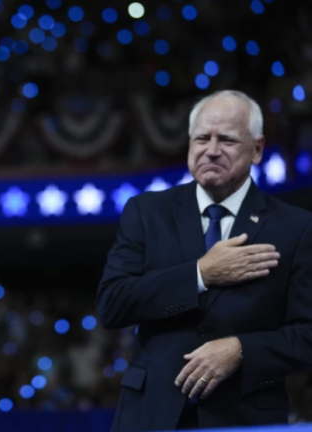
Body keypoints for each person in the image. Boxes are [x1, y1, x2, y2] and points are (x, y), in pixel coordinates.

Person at [97, 90, 312, 431]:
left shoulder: (297, 227)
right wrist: (200, 274)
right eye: (201, 138)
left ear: (257, 149)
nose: (211, 150)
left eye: (226, 139)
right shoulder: (147, 212)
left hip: (245, 416)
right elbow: (112, 303)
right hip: (151, 414)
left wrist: (242, 350)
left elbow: (307, 334)